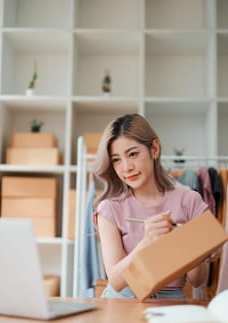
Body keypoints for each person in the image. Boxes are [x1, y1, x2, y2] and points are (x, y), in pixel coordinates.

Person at [93, 113, 219, 299]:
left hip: (172, 301)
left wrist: (197, 251)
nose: (126, 167)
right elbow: (116, 280)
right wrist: (146, 242)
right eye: (116, 159)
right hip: (123, 300)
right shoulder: (110, 209)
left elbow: (197, 280)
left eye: (133, 154)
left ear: (154, 149)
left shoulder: (190, 201)